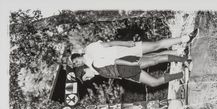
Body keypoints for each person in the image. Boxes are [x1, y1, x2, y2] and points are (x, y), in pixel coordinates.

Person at [70, 29, 199, 87]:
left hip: (124, 52)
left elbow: (109, 44)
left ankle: (186, 38)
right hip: (126, 68)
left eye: (75, 61)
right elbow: (114, 71)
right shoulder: (94, 69)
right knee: (154, 59)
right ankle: (179, 56)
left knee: (155, 47)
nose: (76, 63)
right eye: (75, 64)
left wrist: (126, 43)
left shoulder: (90, 51)